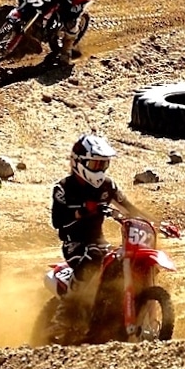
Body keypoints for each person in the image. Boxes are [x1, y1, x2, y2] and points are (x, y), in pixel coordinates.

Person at [50, 135, 143, 322]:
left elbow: (131, 209)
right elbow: (58, 220)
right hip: (74, 244)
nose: (100, 170)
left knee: (119, 259)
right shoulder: (63, 188)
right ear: (78, 162)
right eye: (95, 165)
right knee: (93, 255)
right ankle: (65, 311)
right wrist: (84, 209)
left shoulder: (108, 186)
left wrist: (158, 223)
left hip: (99, 242)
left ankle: (111, 307)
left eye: (103, 164)